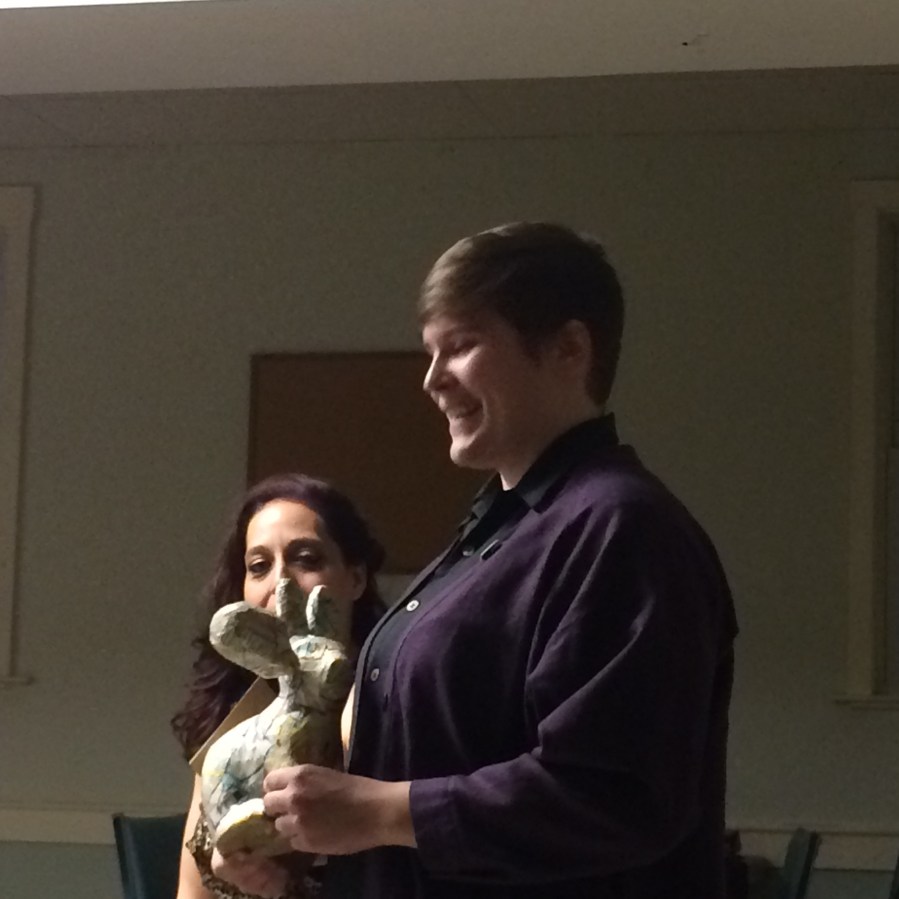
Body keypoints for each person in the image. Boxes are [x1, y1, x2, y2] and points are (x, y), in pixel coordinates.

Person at [262, 222, 739, 899]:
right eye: (430, 351)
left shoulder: (623, 527)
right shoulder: (500, 530)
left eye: (460, 346)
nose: (432, 380)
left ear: (569, 348)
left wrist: (377, 813)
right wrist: (308, 851)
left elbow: (615, 793)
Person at [171, 473, 386, 899]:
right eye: (259, 567)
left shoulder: (395, 702)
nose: (281, 583)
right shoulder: (240, 720)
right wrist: (229, 874)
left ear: (356, 577)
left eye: (306, 559)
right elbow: (192, 894)